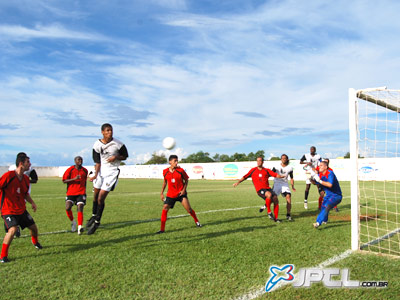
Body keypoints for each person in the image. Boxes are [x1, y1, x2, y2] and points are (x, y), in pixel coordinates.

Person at [86, 123, 128, 235]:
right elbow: (97, 161)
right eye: (107, 130)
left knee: (100, 198)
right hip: (100, 172)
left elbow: (125, 156)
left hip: (112, 173)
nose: (110, 132)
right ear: (102, 132)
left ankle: (96, 222)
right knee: (95, 195)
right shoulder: (97, 144)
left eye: (111, 130)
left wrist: (116, 157)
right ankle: (94, 215)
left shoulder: (118, 144)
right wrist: (95, 174)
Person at [0, 152, 42, 263]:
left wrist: (32, 203)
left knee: (34, 228)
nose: (30, 164)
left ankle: (35, 243)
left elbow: (25, 194)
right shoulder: (8, 176)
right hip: (8, 210)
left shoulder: (25, 179)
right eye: (28, 162)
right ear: (21, 164)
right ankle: (3, 256)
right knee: (13, 230)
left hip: (21, 210)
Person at [157, 155, 201, 234]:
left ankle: (197, 222)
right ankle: (162, 229)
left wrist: (183, 190)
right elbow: (165, 182)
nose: (176, 162)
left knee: (189, 209)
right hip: (170, 194)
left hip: (181, 194)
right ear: (170, 162)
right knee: (165, 207)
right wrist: (161, 193)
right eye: (175, 161)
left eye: (177, 161)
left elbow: (186, 180)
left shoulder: (180, 170)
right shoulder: (165, 171)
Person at [233, 156, 284, 222]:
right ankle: (269, 212)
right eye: (257, 161)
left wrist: (280, 176)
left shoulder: (266, 170)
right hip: (260, 190)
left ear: (262, 162)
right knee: (269, 195)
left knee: (275, 199)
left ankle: (276, 219)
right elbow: (245, 176)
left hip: (267, 188)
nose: (258, 162)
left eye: (260, 161)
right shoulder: (253, 170)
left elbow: (274, 174)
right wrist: (238, 182)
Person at [6, 163, 38, 238]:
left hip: (24, 193)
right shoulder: (11, 169)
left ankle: (16, 226)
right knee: (15, 208)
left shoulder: (29, 170)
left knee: (21, 208)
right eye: (27, 161)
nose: (29, 163)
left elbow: (35, 179)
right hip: (13, 194)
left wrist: (25, 181)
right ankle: (15, 227)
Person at [311, 161, 342, 228]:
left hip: (336, 195)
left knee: (326, 206)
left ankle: (318, 223)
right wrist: (310, 179)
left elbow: (330, 185)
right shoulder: (320, 175)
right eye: (319, 165)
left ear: (326, 167)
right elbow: (315, 182)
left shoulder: (330, 173)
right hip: (329, 195)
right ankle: (325, 220)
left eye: (321, 165)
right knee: (323, 207)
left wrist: (320, 181)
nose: (319, 167)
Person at [62, 156, 88, 235]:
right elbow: (64, 180)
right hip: (71, 192)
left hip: (81, 192)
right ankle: (73, 222)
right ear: (75, 161)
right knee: (68, 207)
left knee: (80, 207)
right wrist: (74, 179)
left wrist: (84, 192)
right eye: (78, 160)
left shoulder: (85, 170)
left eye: (81, 159)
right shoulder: (70, 170)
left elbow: (85, 181)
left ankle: (80, 227)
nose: (80, 161)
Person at [272, 154, 296, 221]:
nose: (283, 159)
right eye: (282, 158)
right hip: (277, 183)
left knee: (288, 196)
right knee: (272, 199)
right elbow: (271, 173)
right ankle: (268, 210)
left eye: (285, 158)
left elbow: (291, 178)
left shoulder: (290, 168)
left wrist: (293, 186)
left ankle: (288, 214)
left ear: (287, 159)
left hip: (284, 184)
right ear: (281, 159)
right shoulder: (276, 167)